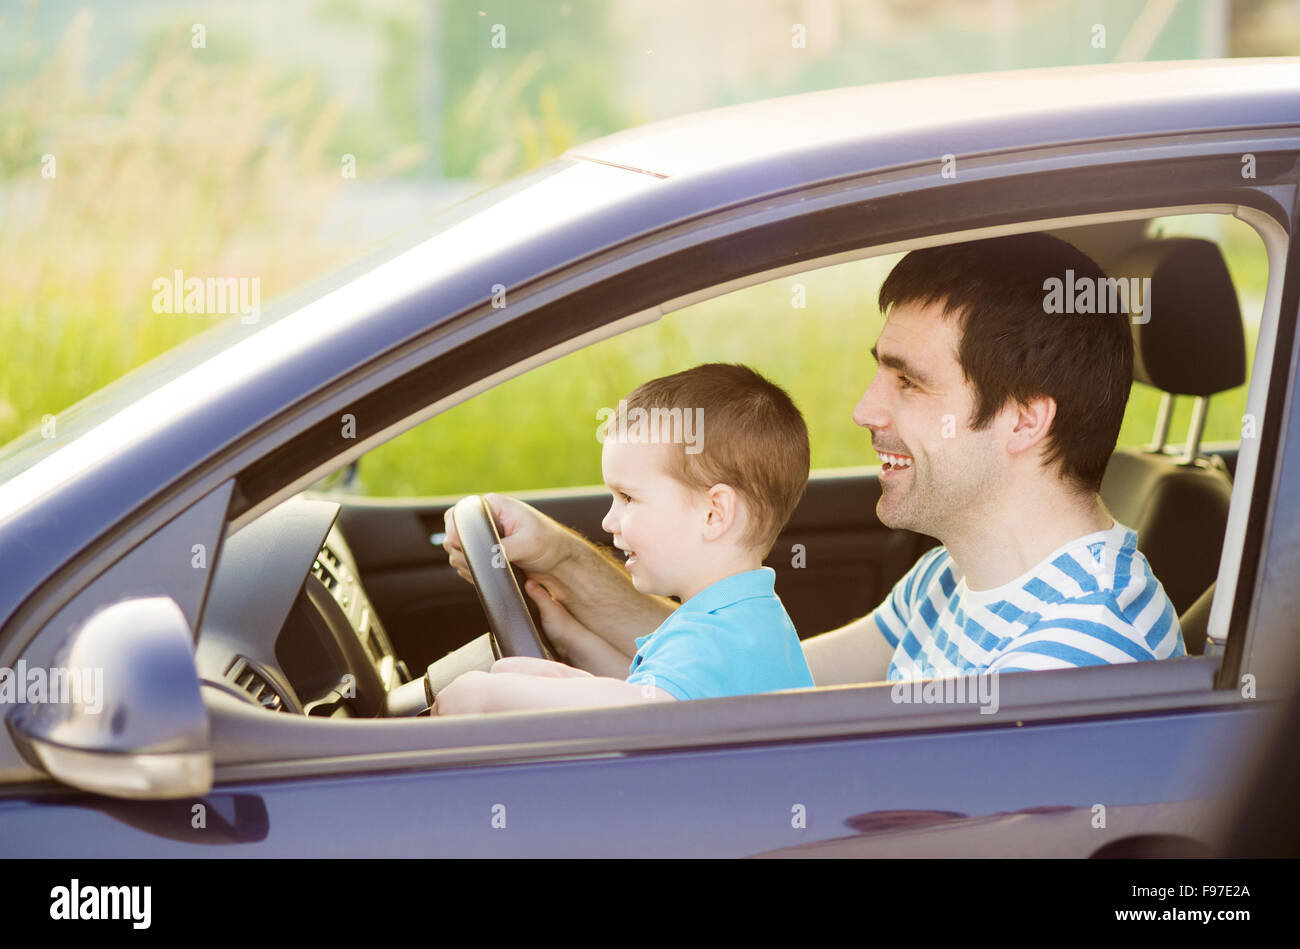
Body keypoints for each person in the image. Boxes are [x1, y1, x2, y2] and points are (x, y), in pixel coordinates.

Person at [441, 233, 1185, 694]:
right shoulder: (954, 579)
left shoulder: (1078, 655)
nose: (865, 409)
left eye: (909, 380)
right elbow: (757, 678)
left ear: (1025, 417)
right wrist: (563, 569)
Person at [432, 362, 815, 715]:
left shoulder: (715, 638)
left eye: (628, 498)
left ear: (714, 513)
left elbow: (641, 715)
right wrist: (571, 640)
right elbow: (649, 689)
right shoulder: (748, 620)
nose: (609, 521)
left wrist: (486, 698)